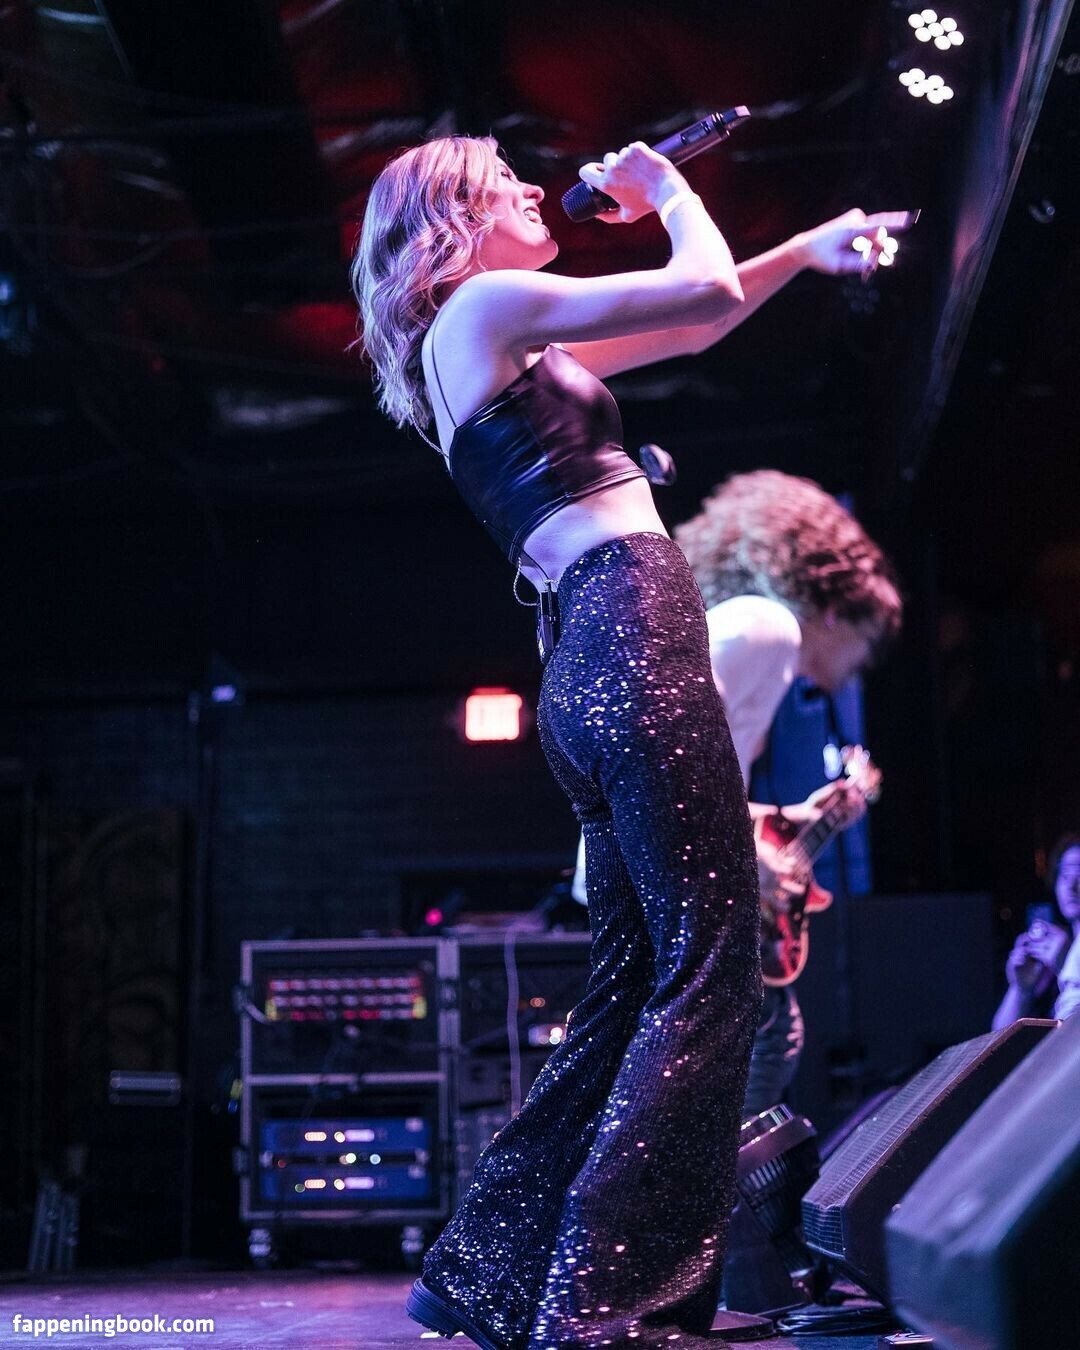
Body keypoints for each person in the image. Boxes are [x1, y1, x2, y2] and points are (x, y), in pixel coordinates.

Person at [353, 133, 894, 1350]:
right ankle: (604, 1302)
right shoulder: (485, 308)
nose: (530, 188)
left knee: (637, 982)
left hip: (592, 662)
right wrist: (666, 190)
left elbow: (702, 317)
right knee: (713, 967)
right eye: (503, 179)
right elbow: (697, 281)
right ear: (454, 218)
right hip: (632, 638)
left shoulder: (489, 342)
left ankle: (486, 1271)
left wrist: (805, 251)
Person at [673, 470, 902, 1118]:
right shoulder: (769, 626)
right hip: (666, 887)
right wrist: (750, 855)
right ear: (835, 611)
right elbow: (663, 753)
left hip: (666, 882)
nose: (854, 673)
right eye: (865, 649)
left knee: (764, 1045)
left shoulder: (761, 636)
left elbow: (693, 778)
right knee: (768, 1042)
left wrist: (789, 819)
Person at [992, 833, 1080, 1029]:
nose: (1071, 885)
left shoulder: (1062, 951)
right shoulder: (1053, 947)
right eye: (1065, 875)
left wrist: (1065, 964)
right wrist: (1020, 988)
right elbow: (998, 1035)